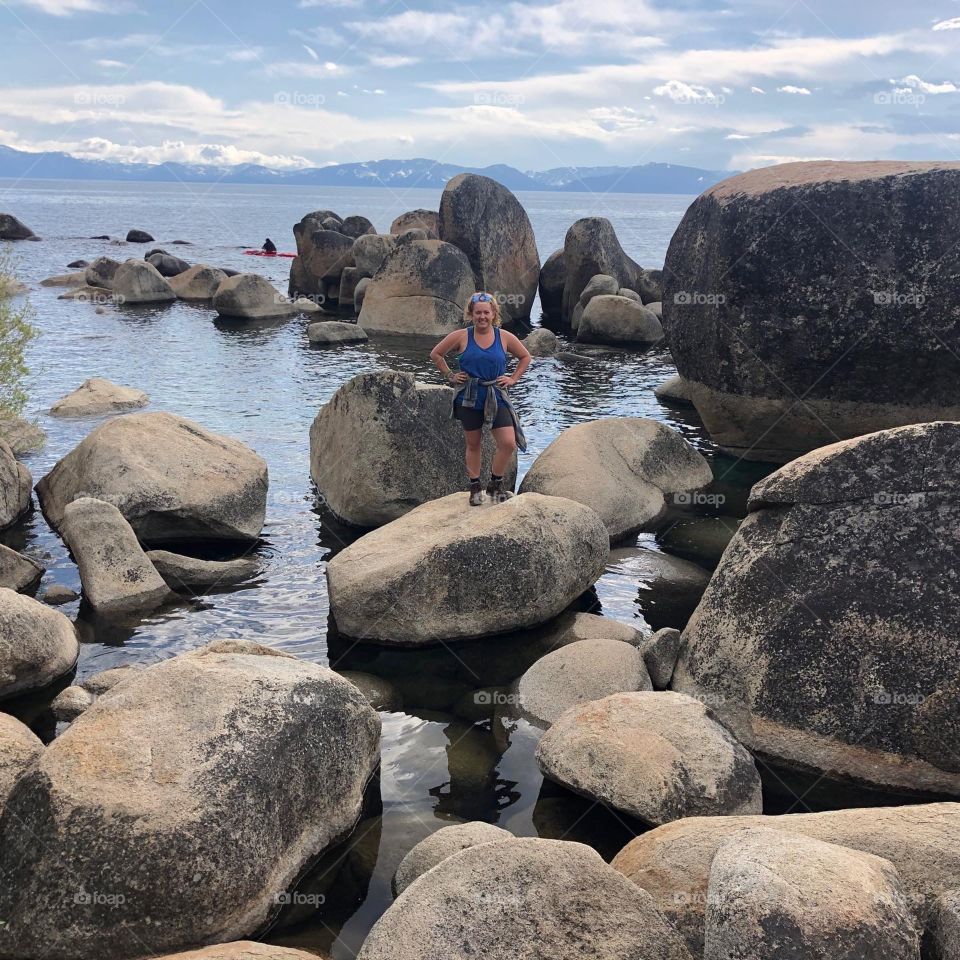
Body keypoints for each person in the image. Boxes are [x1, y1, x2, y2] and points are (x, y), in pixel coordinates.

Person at [430, 292, 531, 505]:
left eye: (486, 312)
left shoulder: (504, 337)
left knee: (508, 444)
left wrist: (513, 378)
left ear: (493, 314)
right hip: (470, 395)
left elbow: (525, 356)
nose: (482, 317)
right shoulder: (461, 336)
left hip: (496, 394)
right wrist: (450, 375)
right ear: (471, 314)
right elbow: (436, 354)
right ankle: (475, 488)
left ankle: (495, 485)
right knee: (473, 444)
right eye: (478, 313)